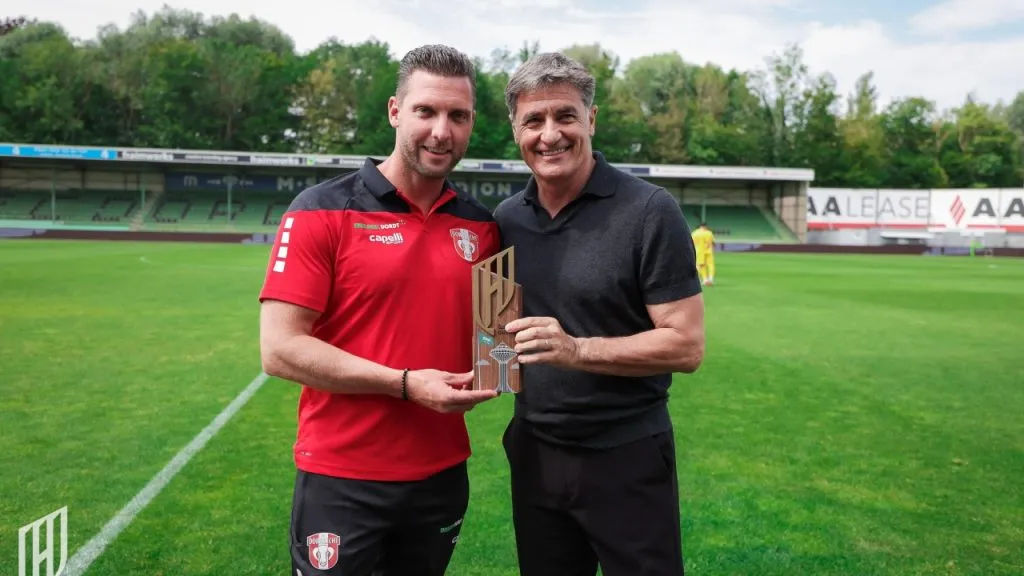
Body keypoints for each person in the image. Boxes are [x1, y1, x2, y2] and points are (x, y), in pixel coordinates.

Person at [257, 44, 501, 576]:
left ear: (472, 123)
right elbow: (279, 350)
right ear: (395, 111)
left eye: (457, 116)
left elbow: (496, 349)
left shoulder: (483, 228)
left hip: (440, 475)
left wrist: (505, 365)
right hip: (342, 477)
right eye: (426, 111)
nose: (442, 131)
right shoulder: (322, 210)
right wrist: (407, 384)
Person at [493, 52, 706, 576]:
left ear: (591, 119)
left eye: (565, 116)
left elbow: (685, 345)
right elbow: (494, 336)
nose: (550, 135)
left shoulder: (649, 210)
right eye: (533, 121)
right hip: (535, 450)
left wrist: (577, 349)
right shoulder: (505, 220)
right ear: (516, 130)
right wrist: (480, 372)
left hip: (626, 453)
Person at [691, 221, 716, 286]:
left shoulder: (694, 233)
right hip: (708, 251)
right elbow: (713, 243)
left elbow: (691, 243)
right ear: (705, 226)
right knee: (710, 265)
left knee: (701, 265)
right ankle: (711, 279)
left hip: (699, 251)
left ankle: (705, 280)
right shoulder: (709, 233)